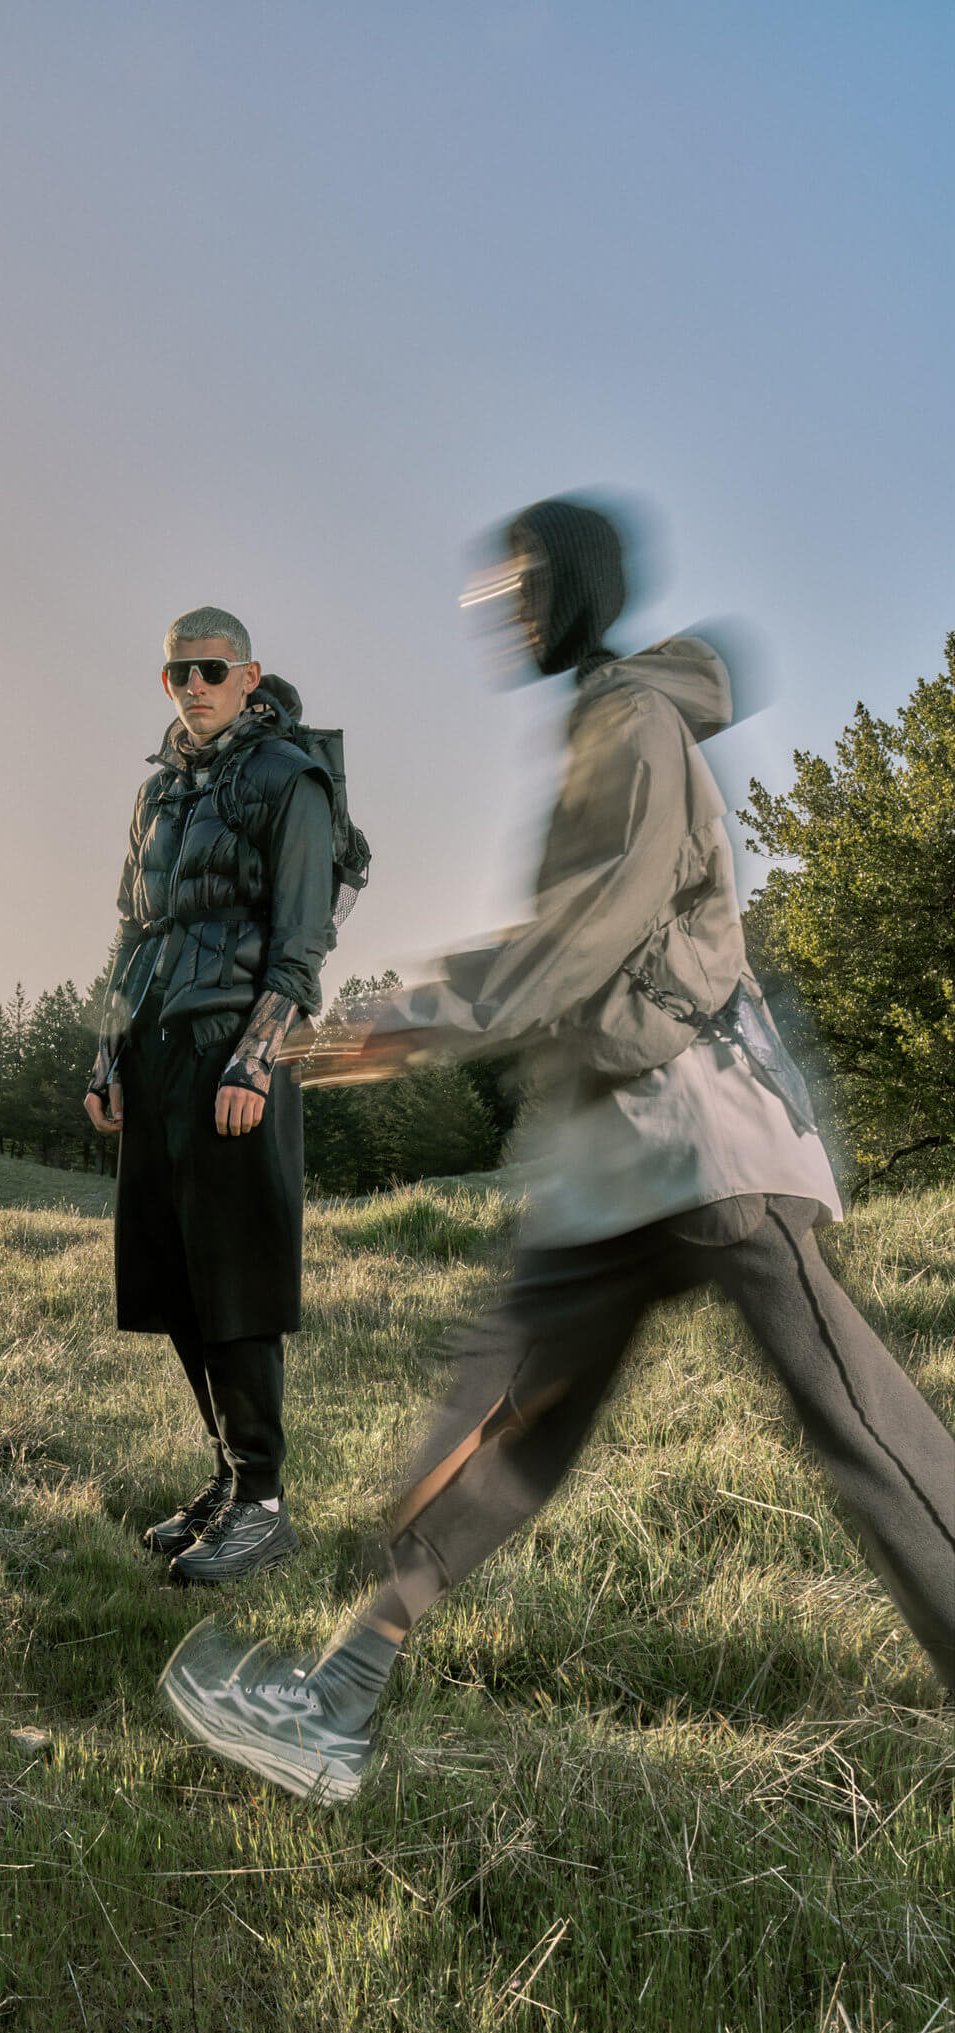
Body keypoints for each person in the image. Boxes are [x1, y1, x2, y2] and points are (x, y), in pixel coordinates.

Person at [161, 498, 955, 1797]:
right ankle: (337, 1700)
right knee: (498, 1425)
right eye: (495, 589)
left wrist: (421, 1018)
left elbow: (592, 933)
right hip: (608, 1161)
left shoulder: (632, 722)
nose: (502, 609)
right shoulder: (601, 722)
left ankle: (337, 1696)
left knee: (861, 1426)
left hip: (702, 1140)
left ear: (576, 586)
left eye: (521, 584)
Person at [86, 606, 337, 1582]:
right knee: (177, 1281)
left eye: (211, 670)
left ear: (247, 675)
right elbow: (130, 929)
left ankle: (264, 1505)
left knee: (234, 1282)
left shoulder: (289, 778)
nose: (193, 686)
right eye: (177, 673)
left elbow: (302, 940)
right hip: (154, 1050)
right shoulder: (157, 791)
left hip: (233, 1056)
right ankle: (232, 1480)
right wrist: (106, 1054)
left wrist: (254, 1060)